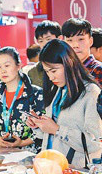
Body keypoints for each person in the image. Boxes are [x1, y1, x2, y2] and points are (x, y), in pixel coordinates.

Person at [26, 39, 102, 168]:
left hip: (76, 168)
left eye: (54, 71)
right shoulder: (57, 89)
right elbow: (52, 135)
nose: (51, 77)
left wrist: (57, 129)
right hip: (51, 166)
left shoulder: (90, 92)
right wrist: (39, 126)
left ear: (69, 63)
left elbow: (94, 143)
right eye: (47, 72)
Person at [0, 47, 44, 153]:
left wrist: (22, 143)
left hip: (30, 155)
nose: (3, 71)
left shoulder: (36, 94)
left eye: (7, 66)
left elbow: (44, 131)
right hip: (3, 154)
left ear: (18, 66)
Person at [62, 18, 102, 86]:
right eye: (70, 40)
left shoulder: (98, 70)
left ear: (90, 41)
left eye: (81, 39)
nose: (75, 45)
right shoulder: (62, 70)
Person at [28, 20, 62, 87]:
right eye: (41, 41)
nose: (44, 44)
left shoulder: (69, 65)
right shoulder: (33, 72)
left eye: (48, 39)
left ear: (59, 38)